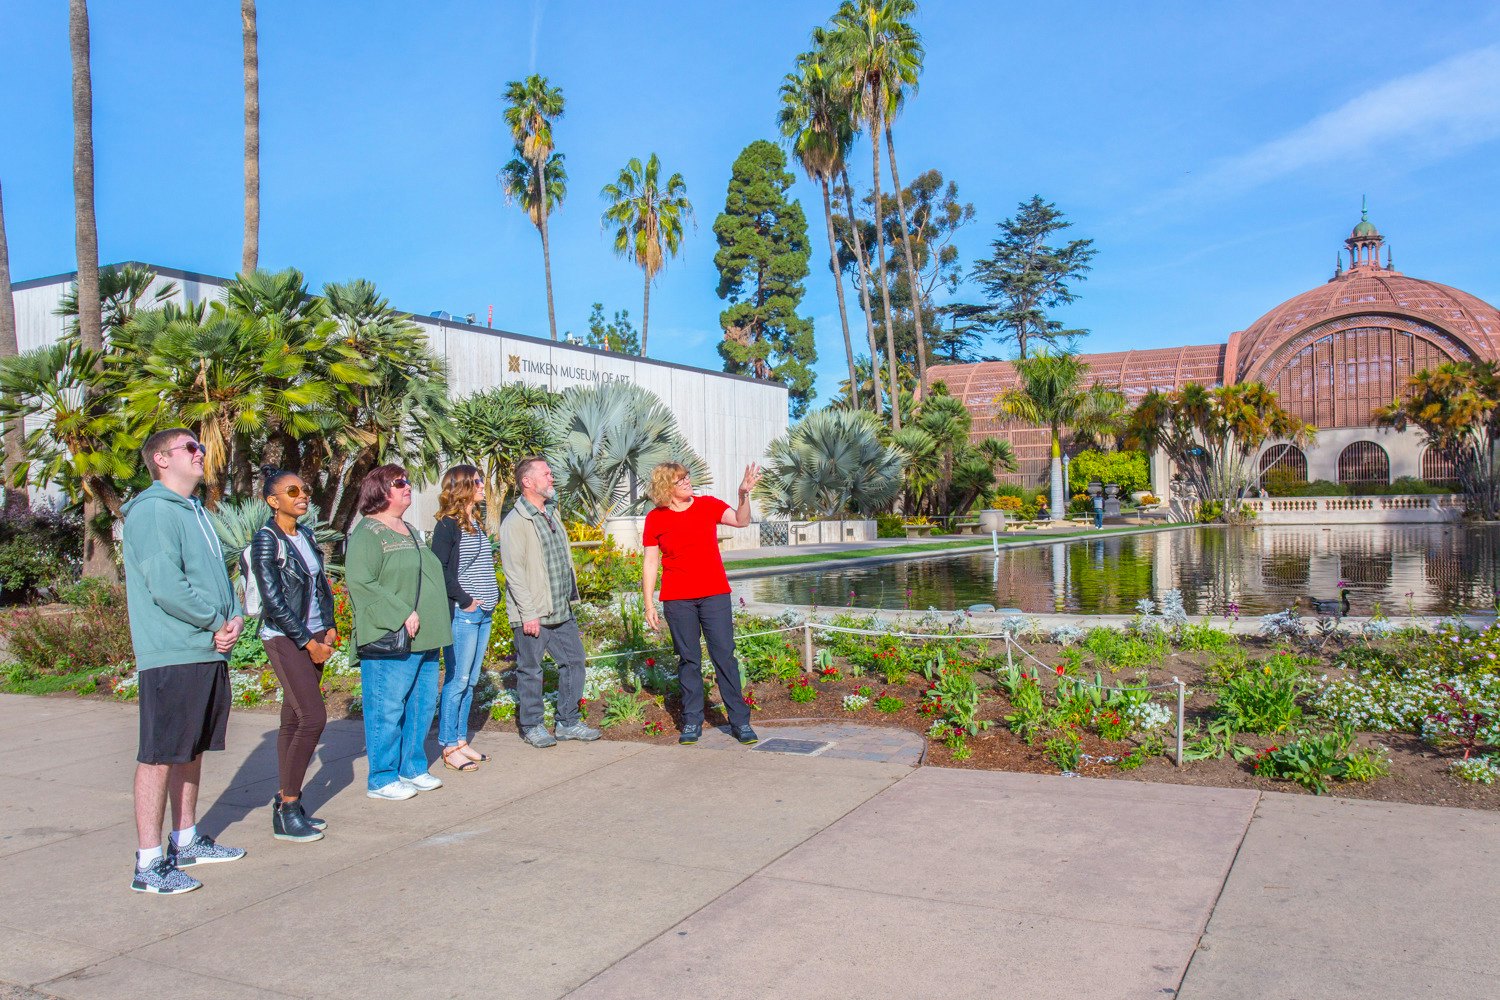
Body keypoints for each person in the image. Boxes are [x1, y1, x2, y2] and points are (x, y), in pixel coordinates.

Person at [121, 428, 247, 894]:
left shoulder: (195, 511)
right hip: (172, 652)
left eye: (201, 447)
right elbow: (166, 585)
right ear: (160, 458)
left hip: (205, 648)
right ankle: (148, 863)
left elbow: (216, 577)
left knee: (190, 750)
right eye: (190, 447)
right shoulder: (153, 510)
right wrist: (215, 621)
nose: (200, 453)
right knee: (160, 755)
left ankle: (186, 841)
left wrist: (234, 616)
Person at [346, 464, 452, 800]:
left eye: (407, 481)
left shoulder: (409, 529)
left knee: (421, 706)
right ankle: (381, 778)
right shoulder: (367, 533)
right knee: (386, 709)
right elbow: (360, 582)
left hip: (425, 635)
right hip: (391, 635)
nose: (407, 487)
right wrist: (401, 612)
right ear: (380, 490)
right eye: (399, 482)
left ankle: (412, 767)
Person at [641, 461, 760, 746]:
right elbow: (650, 561)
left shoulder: (708, 505)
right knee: (689, 660)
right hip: (677, 599)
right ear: (666, 487)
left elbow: (741, 521)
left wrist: (743, 495)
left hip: (714, 594)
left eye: (687, 477)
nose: (687, 482)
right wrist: (648, 604)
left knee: (724, 656)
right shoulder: (655, 518)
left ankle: (740, 721)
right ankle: (692, 720)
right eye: (680, 480)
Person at [249, 466, 337, 842]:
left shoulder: (306, 534)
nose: (303, 496)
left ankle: (287, 804)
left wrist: (329, 625)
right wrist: (308, 642)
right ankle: (288, 806)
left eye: (304, 489)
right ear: (273, 501)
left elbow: (320, 584)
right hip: (286, 637)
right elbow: (274, 602)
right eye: (292, 491)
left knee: (292, 719)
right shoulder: (266, 540)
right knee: (313, 718)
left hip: (314, 633)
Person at [499, 457, 600, 748]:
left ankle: (568, 722)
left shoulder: (551, 513)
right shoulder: (516, 521)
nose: (551, 477)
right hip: (532, 613)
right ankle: (532, 725)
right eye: (546, 473)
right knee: (531, 670)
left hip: (560, 608)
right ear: (527, 482)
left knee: (574, 662)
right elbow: (514, 572)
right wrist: (528, 613)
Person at [430, 464, 499, 772]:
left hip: (484, 613)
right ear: (461, 487)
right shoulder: (446, 525)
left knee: (470, 681)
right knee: (457, 679)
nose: (483, 486)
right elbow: (440, 569)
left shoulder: (475, 521)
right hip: (464, 614)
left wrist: (491, 597)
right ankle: (448, 746)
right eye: (477, 481)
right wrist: (466, 600)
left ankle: (460, 740)